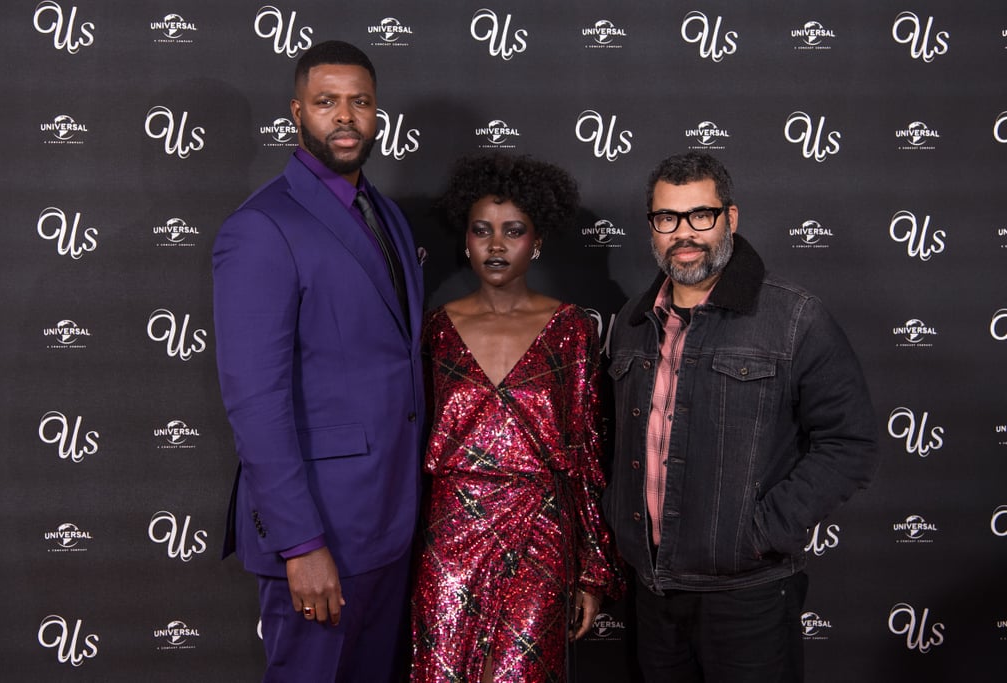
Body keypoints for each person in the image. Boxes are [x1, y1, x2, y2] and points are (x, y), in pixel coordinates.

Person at [602, 151, 880, 682]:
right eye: (667, 219)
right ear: (653, 229)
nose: (684, 234)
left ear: (730, 218)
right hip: (651, 593)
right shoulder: (633, 321)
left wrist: (758, 530)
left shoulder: (793, 317)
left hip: (747, 593)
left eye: (700, 216)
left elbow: (851, 442)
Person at [212, 41, 424, 683]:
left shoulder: (385, 213)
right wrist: (300, 545)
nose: (346, 117)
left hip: (392, 523)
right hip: (321, 534)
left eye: (360, 102)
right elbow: (256, 402)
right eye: (328, 102)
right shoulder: (261, 228)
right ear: (297, 111)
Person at [410, 153, 624, 683]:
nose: (497, 245)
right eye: (482, 231)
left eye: (513, 231)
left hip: (541, 531)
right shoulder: (434, 329)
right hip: (451, 532)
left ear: (538, 241)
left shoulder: (572, 329)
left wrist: (593, 569)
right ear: (466, 240)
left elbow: (587, 451)